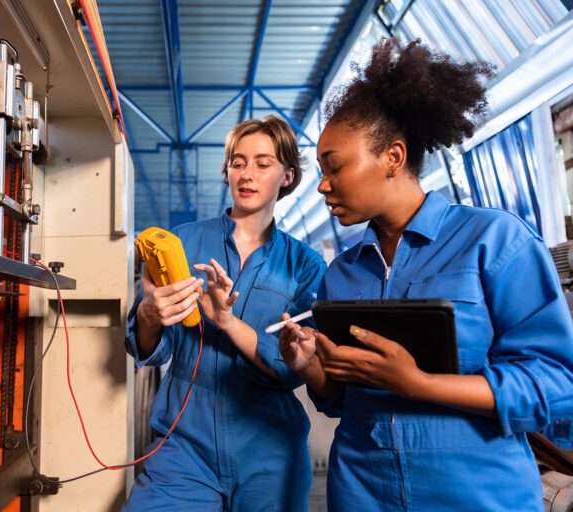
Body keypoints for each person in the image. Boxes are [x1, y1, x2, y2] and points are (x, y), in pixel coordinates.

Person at [279, 37, 573, 511]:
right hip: (362, 494)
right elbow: (340, 401)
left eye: (334, 167)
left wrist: (420, 384)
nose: (321, 185)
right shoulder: (341, 275)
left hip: (478, 497)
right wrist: (310, 367)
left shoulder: (495, 242)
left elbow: (558, 385)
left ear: (393, 157)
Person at [123, 115, 327, 511]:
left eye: (262, 163)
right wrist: (149, 312)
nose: (247, 174)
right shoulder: (182, 242)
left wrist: (228, 323)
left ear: (286, 176)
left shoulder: (305, 265)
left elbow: (294, 368)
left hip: (269, 450)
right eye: (238, 162)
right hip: (184, 445)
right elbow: (148, 348)